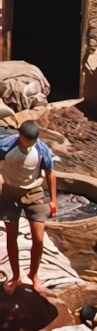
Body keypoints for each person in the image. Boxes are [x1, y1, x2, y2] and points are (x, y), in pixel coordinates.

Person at [2, 120, 57, 295]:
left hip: (34, 191)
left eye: (34, 141)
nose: (31, 145)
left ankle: (34, 276)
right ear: (20, 136)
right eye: (28, 141)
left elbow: (51, 173)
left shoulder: (42, 150)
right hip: (9, 193)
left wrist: (53, 200)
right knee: (11, 237)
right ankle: (15, 277)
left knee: (39, 239)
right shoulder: (5, 146)